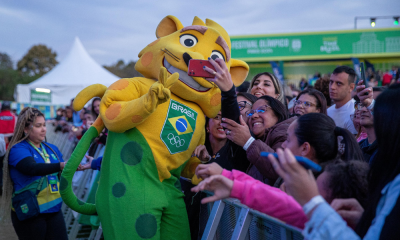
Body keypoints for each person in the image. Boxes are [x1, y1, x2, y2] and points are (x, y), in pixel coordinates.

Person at [265, 84, 400, 239]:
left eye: (288, 140)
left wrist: (312, 203)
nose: (283, 145)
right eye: (298, 102)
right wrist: (366, 220)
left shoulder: (327, 181)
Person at [192, 160, 369, 229]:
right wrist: (230, 180)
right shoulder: (319, 219)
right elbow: (277, 197)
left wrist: (233, 184)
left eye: (316, 197)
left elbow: (283, 203)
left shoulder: (326, 224)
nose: (308, 200)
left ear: (344, 208)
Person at [0, 107, 68, 240]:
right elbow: (31, 168)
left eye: (44, 125)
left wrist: (85, 164)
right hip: (30, 212)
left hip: (54, 210)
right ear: (25, 129)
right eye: (38, 126)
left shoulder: (51, 148)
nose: (44, 129)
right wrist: (61, 165)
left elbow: (63, 175)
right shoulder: (18, 148)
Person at [327, 66, 360, 134]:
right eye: (331, 82)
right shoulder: (327, 112)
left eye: (339, 83)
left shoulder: (355, 113)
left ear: (351, 87)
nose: (332, 87)